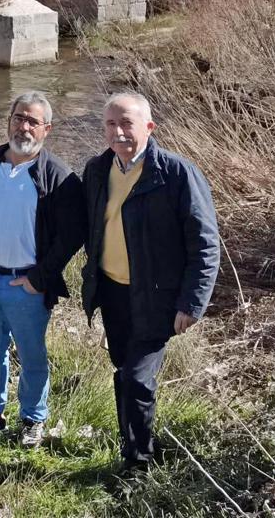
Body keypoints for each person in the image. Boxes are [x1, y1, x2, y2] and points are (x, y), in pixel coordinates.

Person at [79, 92, 219, 471]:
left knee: (139, 378)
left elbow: (205, 243)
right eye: (111, 124)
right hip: (111, 291)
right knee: (123, 368)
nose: (119, 132)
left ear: (149, 127)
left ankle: (138, 464)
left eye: (127, 123)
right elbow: (86, 227)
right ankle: (130, 443)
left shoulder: (175, 173)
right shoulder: (97, 170)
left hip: (155, 296)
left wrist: (192, 302)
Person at [0, 91, 85, 448]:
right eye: (18, 118)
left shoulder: (58, 177)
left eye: (32, 121)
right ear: (9, 119)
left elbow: (71, 236)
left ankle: (32, 419)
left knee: (31, 354)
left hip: (24, 284)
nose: (23, 126)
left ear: (47, 129)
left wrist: (40, 279)